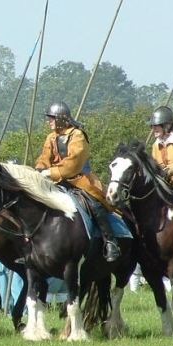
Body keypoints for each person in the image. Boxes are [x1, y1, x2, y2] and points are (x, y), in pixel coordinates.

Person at [35, 101, 120, 262]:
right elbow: (44, 157)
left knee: (95, 205)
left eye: (52, 118)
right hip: (56, 181)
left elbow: (74, 163)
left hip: (81, 180)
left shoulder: (77, 135)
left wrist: (51, 172)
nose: (49, 121)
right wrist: (40, 169)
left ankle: (110, 241)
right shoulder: (51, 137)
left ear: (60, 118)